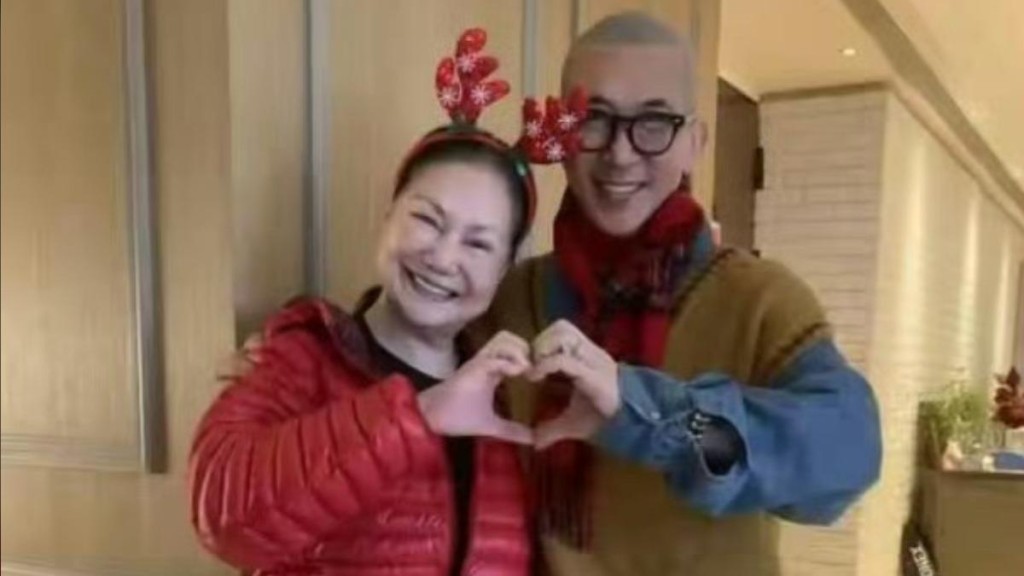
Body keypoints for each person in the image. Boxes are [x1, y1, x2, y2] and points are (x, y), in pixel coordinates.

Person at [470, 11, 883, 576]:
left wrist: (647, 413)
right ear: (563, 137)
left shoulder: (759, 299)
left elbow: (848, 456)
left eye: (654, 122)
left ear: (694, 143)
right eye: (593, 119)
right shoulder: (512, 297)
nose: (620, 153)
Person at [188, 29, 585, 576]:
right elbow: (223, 518)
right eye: (427, 219)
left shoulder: (506, 394)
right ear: (389, 215)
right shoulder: (302, 357)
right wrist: (416, 417)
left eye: (478, 244)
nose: (442, 257)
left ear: (503, 268)